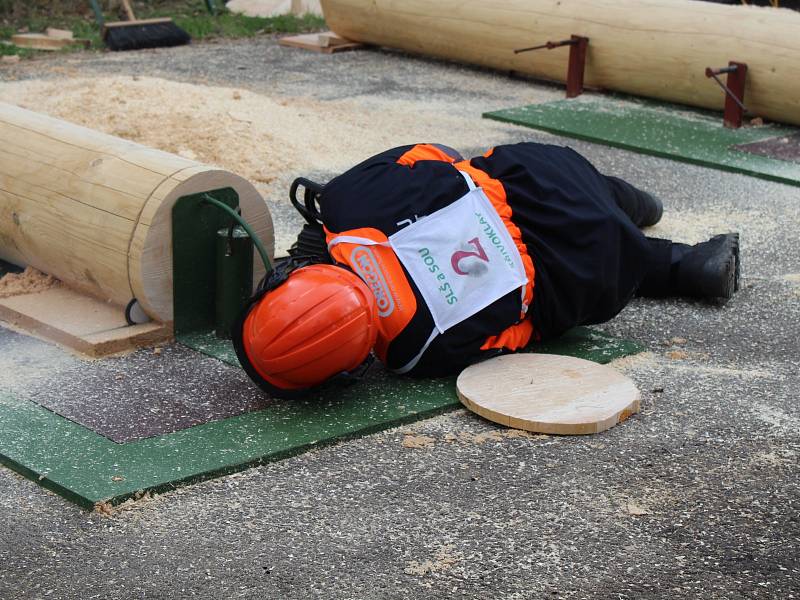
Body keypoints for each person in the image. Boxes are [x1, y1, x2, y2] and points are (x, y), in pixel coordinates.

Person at [233, 142, 740, 397]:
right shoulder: (349, 201)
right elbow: (439, 156)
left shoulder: (414, 354)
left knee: (556, 288)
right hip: (549, 183)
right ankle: (626, 201)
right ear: (282, 281)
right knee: (502, 169)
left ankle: (678, 263)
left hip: (590, 270)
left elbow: (523, 334)